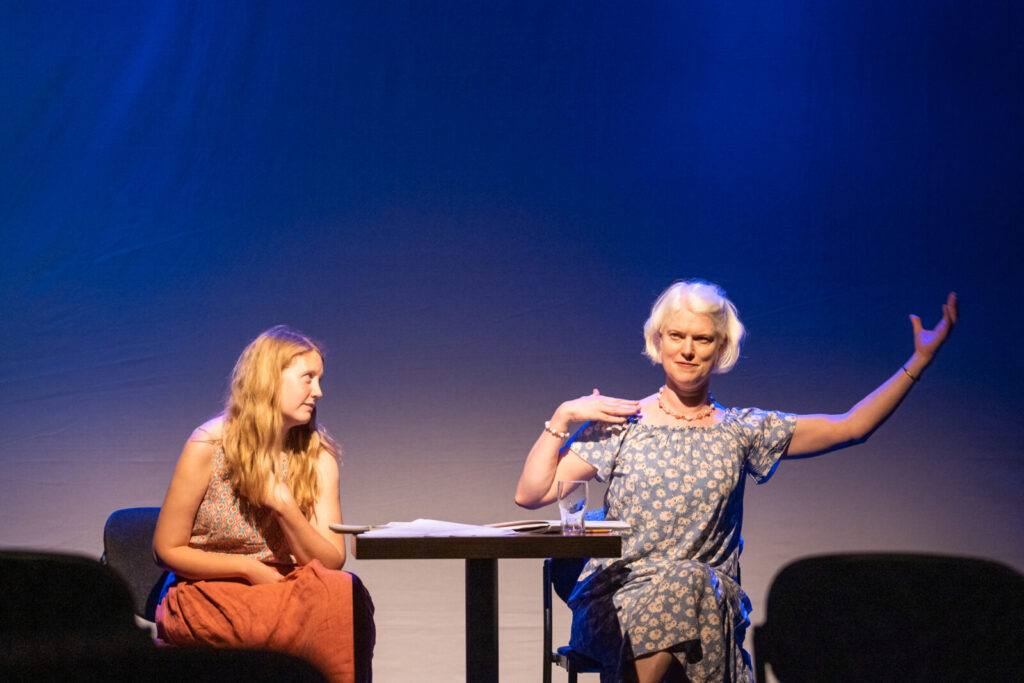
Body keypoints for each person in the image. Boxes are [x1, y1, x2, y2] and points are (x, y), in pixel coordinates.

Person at [515, 281, 957, 683]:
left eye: (702, 339)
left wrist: (918, 362)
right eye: (677, 336)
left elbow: (852, 426)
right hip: (619, 605)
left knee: (692, 584)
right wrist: (564, 416)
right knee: (687, 586)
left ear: (720, 347)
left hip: (707, 601)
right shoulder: (621, 424)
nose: (688, 349)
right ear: (658, 341)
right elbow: (531, 494)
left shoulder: (742, 431)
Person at [153, 325, 374, 683]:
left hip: (289, 589)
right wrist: (248, 569)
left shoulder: (316, 458)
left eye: (318, 380)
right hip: (212, 590)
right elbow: (166, 549)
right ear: (271, 379)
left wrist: (285, 507)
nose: (318, 391)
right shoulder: (209, 446)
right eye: (308, 379)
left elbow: (331, 561)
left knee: (344, 593)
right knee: (307, 613)